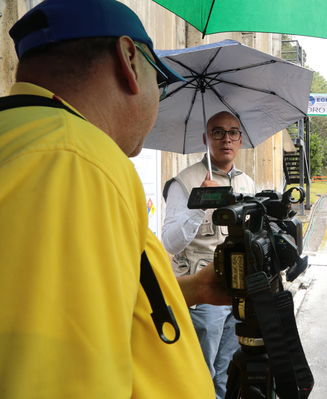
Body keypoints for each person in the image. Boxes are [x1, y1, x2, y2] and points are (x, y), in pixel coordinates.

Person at [0, 0, 225, 397]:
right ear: (128, 60)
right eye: (160, 80)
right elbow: (59, 377)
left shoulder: (25, 136)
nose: (157, 101)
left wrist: (194, 289)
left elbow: (89, 305)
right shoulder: (73, 159)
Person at [162, 111, 255, 399]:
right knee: (200, 373)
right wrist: (200, 203)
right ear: (206, 139)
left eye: (233, 132)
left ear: (240, 139)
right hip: (202, 297)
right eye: (217, 132)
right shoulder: (184, 183)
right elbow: (169, 242)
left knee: (228, 370)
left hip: (236, 291)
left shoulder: (247, 184)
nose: (225, 139)